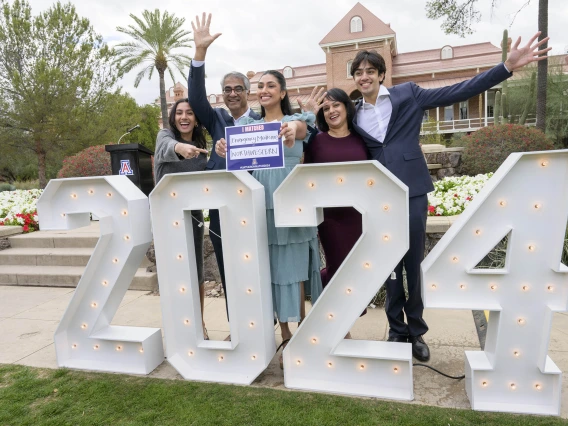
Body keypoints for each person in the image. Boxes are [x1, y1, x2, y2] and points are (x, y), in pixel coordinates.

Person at [345, 32, 551, 362]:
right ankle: (396, 331)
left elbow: (457, 91)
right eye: (358, 72)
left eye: (370, 70)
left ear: (381, 74)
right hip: (379, 196)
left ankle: (416, 332)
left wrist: (506, 67)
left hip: (412, 190)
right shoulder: (354, 114)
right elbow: (332, 135)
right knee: (389, 265)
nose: (364, 76)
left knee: (413, 264)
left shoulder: (407, 95)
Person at [215, 69, 323, 366]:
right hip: (258, 205)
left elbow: (301, 130)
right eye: (260, 86)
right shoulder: (248, 126)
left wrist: (293, 130)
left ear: (283, 92)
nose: (264, 90)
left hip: (289, 201)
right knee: (271, 270)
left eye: (271, 85)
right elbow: (235, 161)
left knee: (296, 268)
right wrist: (223, 147)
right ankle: (285, 334)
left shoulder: (293, 122)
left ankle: (302, 333)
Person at [187, 13, 262, 318]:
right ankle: (238, 323)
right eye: (227, 89)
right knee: (227, 265)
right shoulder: (215, 118)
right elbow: (194, 97)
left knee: (255, 263)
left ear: (248, 92)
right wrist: (200, 53)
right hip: (222, 205)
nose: (232, 94)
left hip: (254, 202)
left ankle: (261, 317)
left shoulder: (261, 123)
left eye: (238, 89)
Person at [154, 98, 209, 338]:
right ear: (173, 118)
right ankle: (178, 329)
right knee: (172, 273)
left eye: (189, 113)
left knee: (196, 271)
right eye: (179, 113)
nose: (184, 117)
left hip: (193, 217)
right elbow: (166, 148)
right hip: (167, 217)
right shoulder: (164, 137)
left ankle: (199, 324)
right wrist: (180, 148)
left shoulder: (201, 147)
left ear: (196, 119)